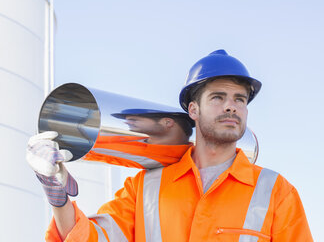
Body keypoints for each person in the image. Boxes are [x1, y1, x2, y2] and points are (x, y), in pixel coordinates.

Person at [26, 49, 313, 241]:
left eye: (239, 99)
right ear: (193, 110)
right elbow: (91, 238)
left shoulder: (276, 193)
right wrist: (57, 197)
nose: (231, 107)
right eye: (218, 97)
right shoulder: (145, 189)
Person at [83, 107, 194, 169]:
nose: (127, 122)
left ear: (167, 122)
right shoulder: (132, 138)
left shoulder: (155, 159)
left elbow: (96, 152)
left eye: (134, 119)